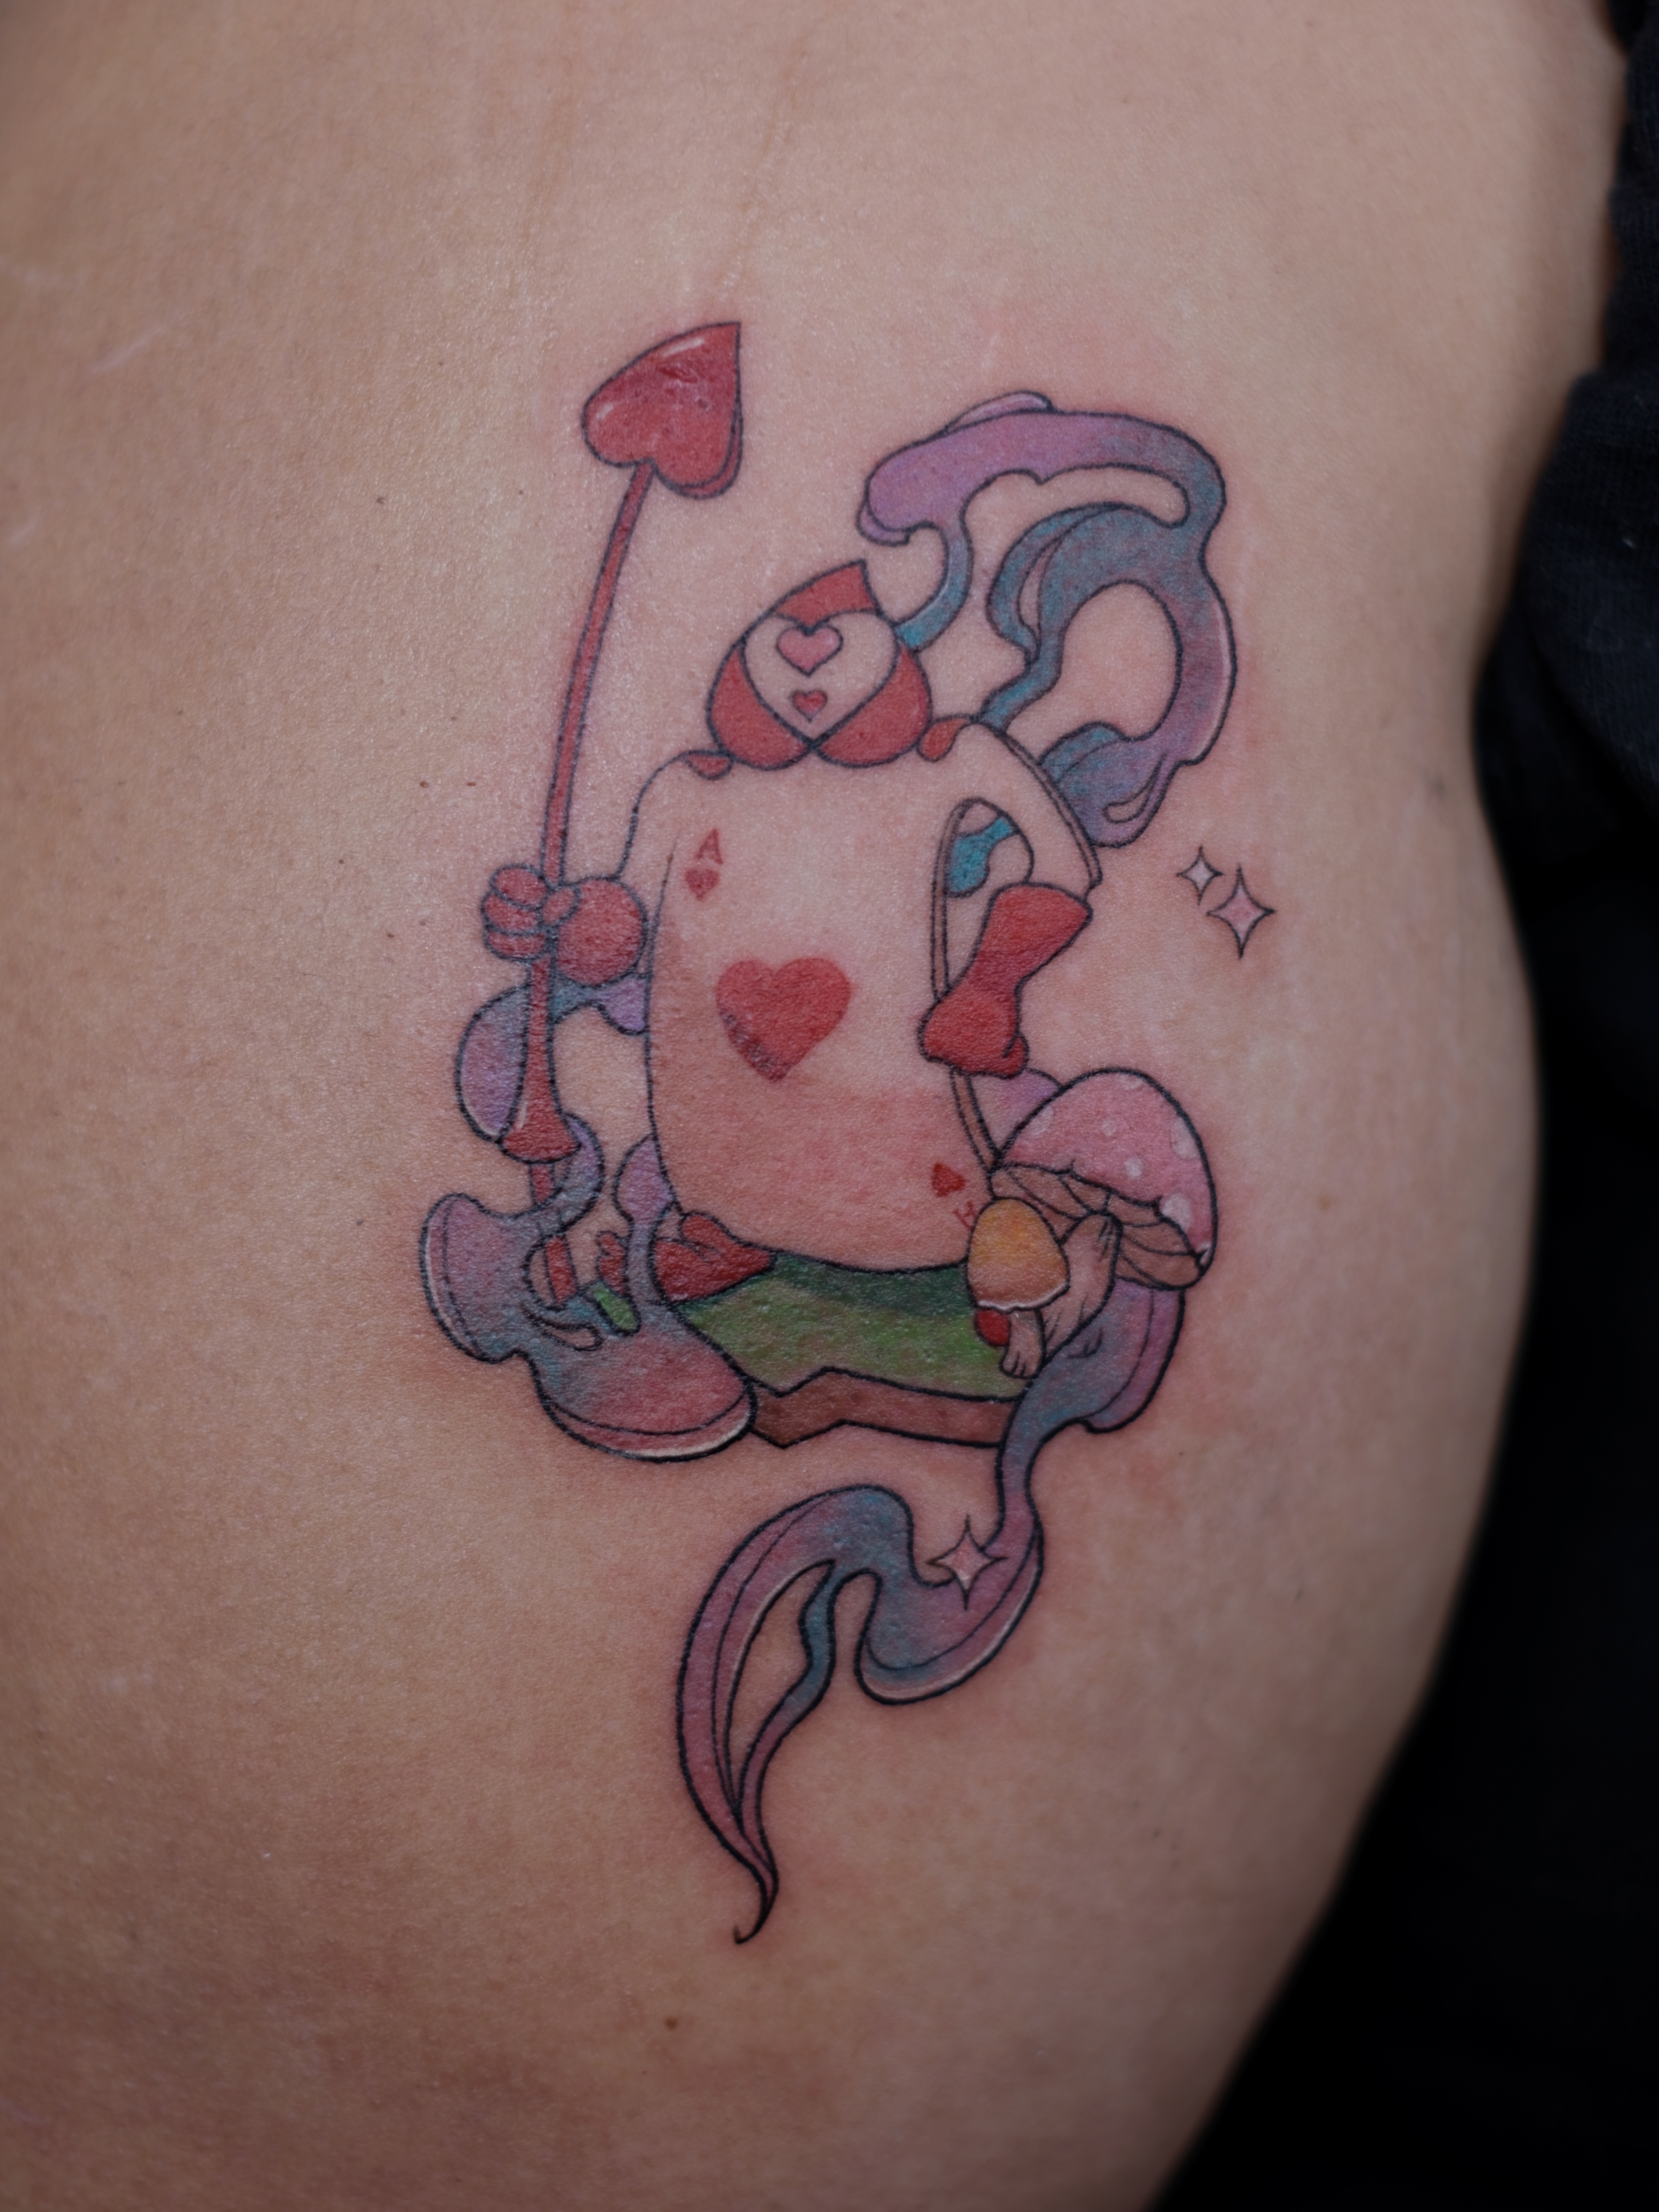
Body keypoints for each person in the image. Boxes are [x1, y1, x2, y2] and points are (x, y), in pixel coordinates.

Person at [0, 5, 1633, 2206]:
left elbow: (1041, 881)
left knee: (890, 1237)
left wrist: (987, 981)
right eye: (781, 625)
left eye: (839, 629)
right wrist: (564, 934)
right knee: (724, 1216)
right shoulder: (690, 782)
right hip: (714, 1173)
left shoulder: (956, 767)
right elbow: (623, 933)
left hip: (902, 1172)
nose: (798, 646)